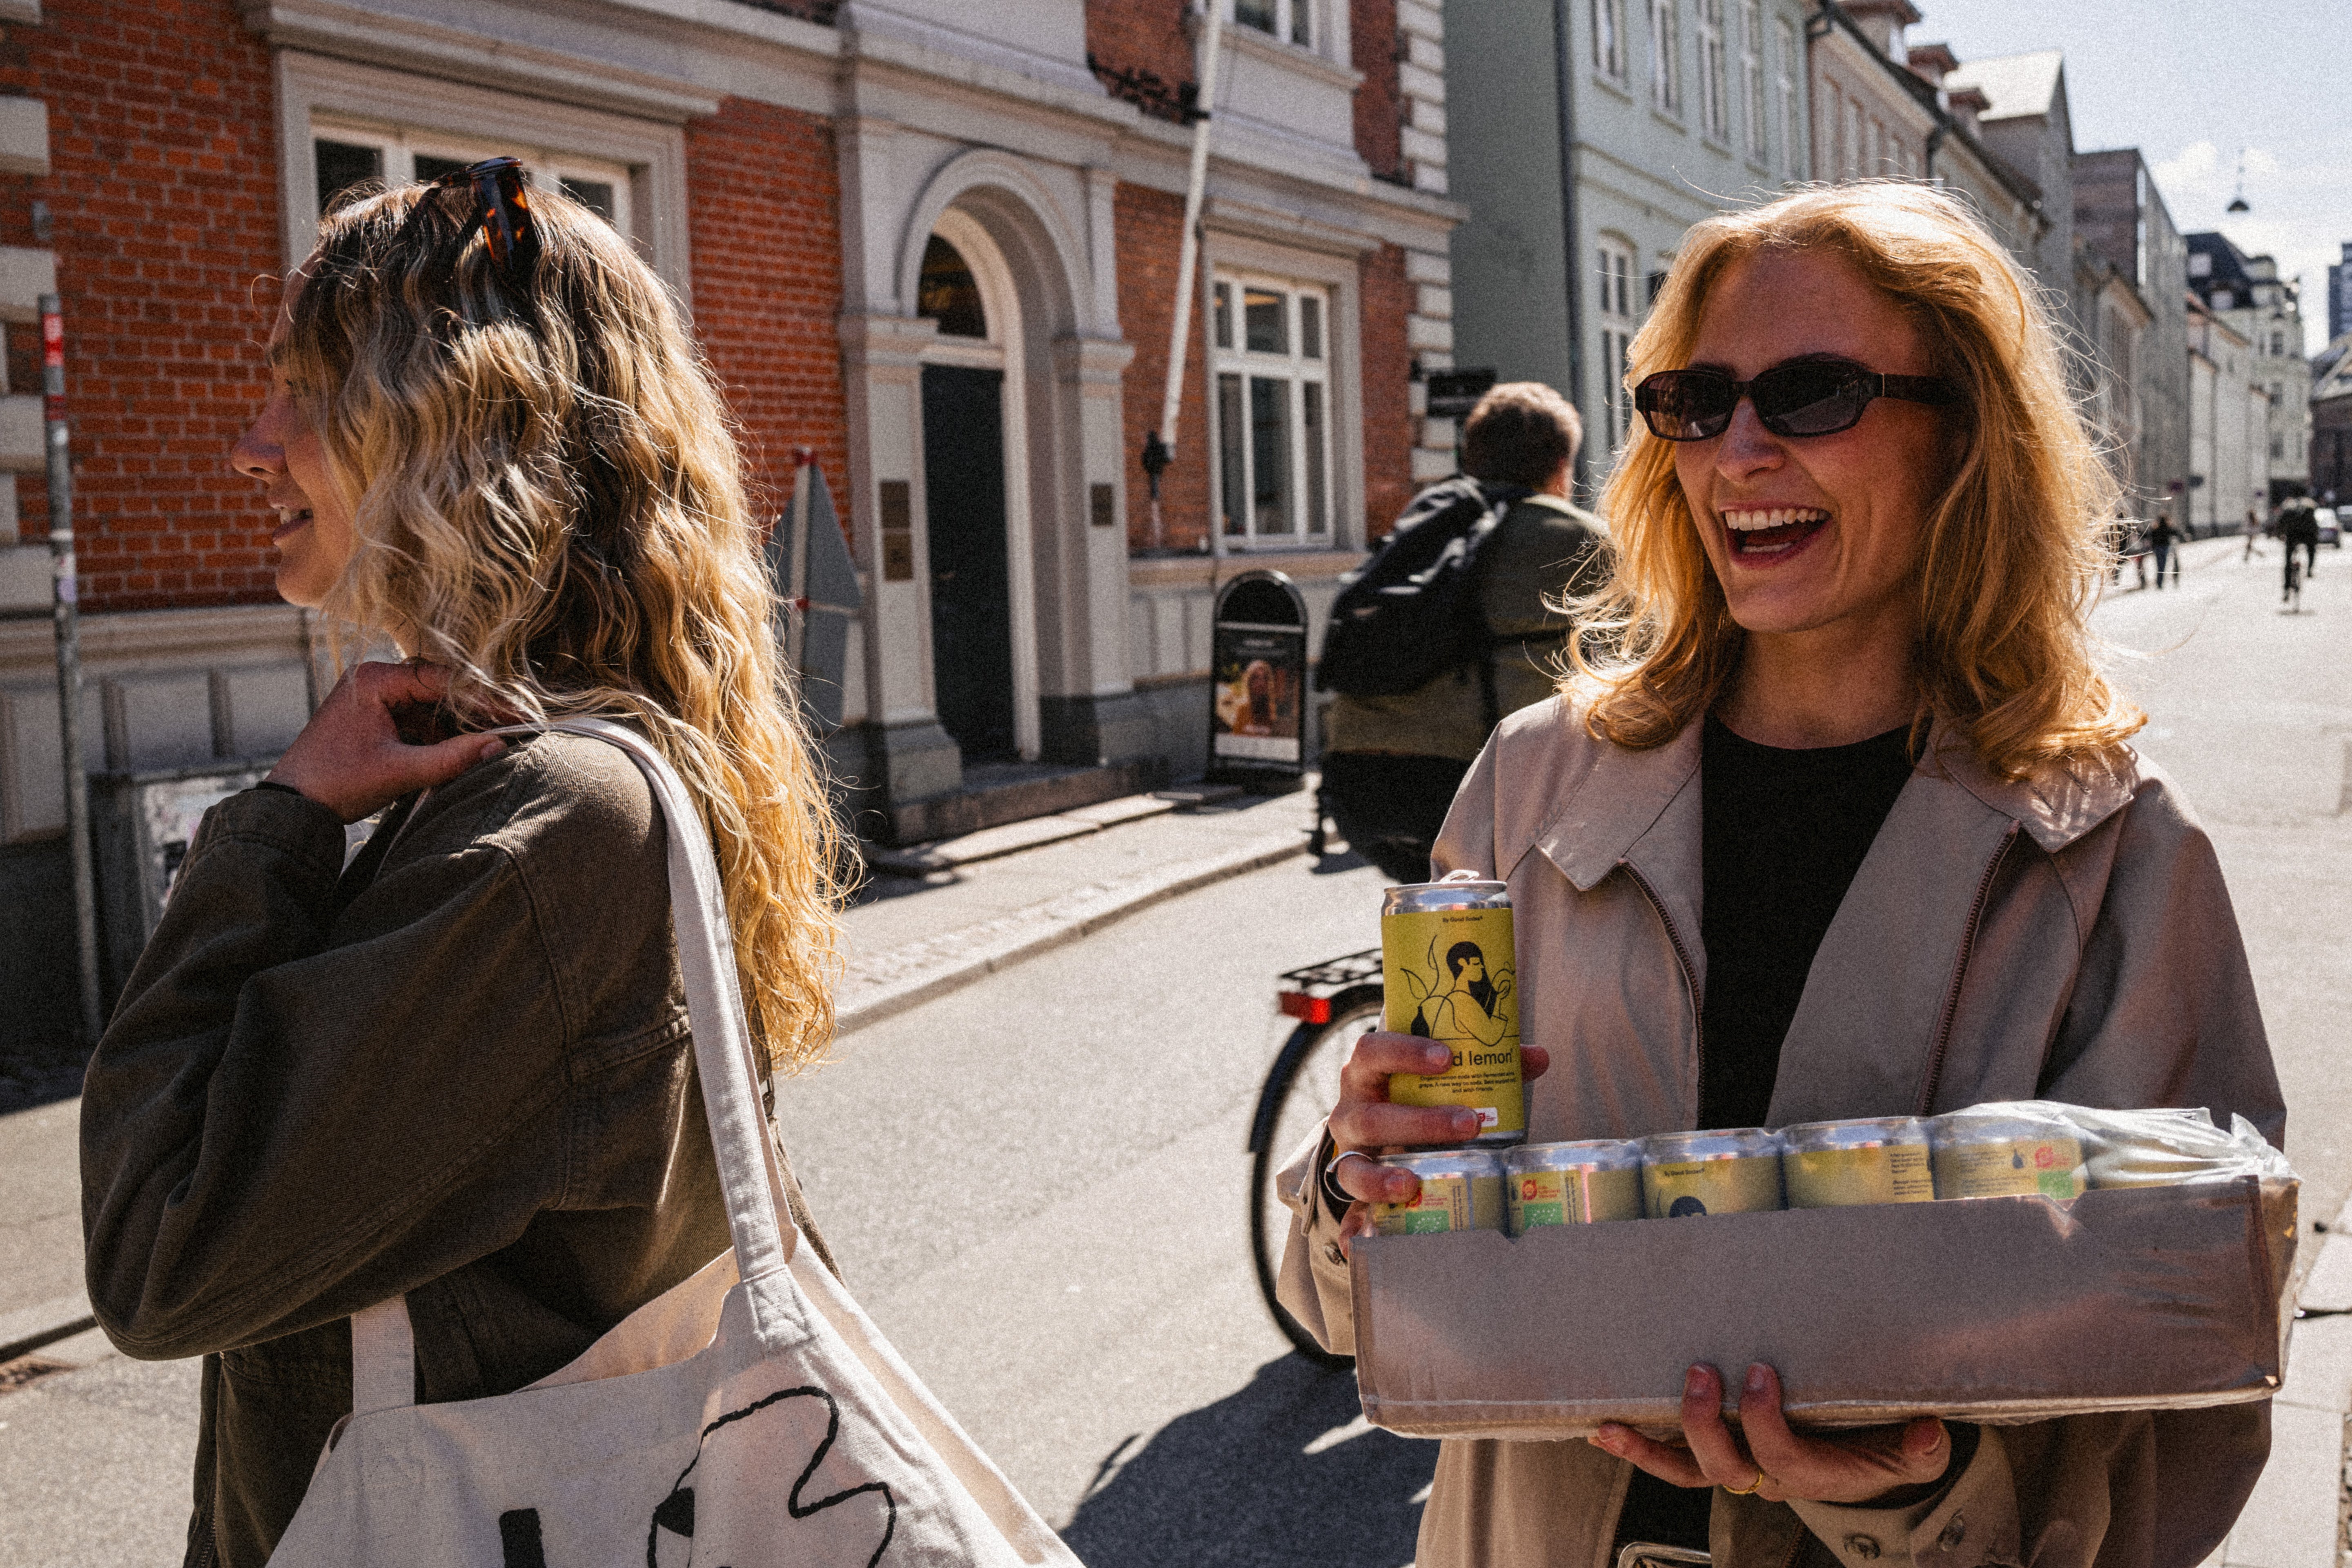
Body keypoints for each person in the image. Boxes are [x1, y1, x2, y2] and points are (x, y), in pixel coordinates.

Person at [1278, 182, 2281, 1566]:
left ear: (1966, 438)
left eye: (1811, 395)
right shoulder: (1535, 785)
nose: (1738, 450)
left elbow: (2193, 1396)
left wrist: (1905, 1493)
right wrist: (1354, 1183)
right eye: (1695, 401)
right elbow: (1352, 1315)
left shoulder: (2116, 852)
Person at [78, 161, 846, 1568]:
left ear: (445, 433)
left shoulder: (550, 824)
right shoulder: (572, 773)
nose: (254, 444)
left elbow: (158, 1255)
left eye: (303, 396)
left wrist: (282, 820)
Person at [1319, 382, 1607, 880]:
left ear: (1470, 457)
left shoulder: (1428, 525)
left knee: (1441, 914)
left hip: (1355, 785)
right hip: (1471, 789)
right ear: (1562, 468)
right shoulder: (1584, 541)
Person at [2281, 500, 2320, 599]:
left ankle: (2286, 588)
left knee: (2288, 561)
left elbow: (2281, 523)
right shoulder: (2309, 504)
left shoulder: (2289, 505)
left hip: (2292, 536)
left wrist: (2280, 535)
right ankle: (2310, 570)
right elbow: (2314, 524)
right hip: (2307, 536)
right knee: (2312, 550)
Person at [2148, 511, 2180, 588]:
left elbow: (2151, 535)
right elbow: (2175, 533)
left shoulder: (2156, 528)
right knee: (2163, 565)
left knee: (2159, 565)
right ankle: (2160, 582)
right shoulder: (2168, 528)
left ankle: (2159, 582)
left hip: (2158, 548)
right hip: (2165, 547)